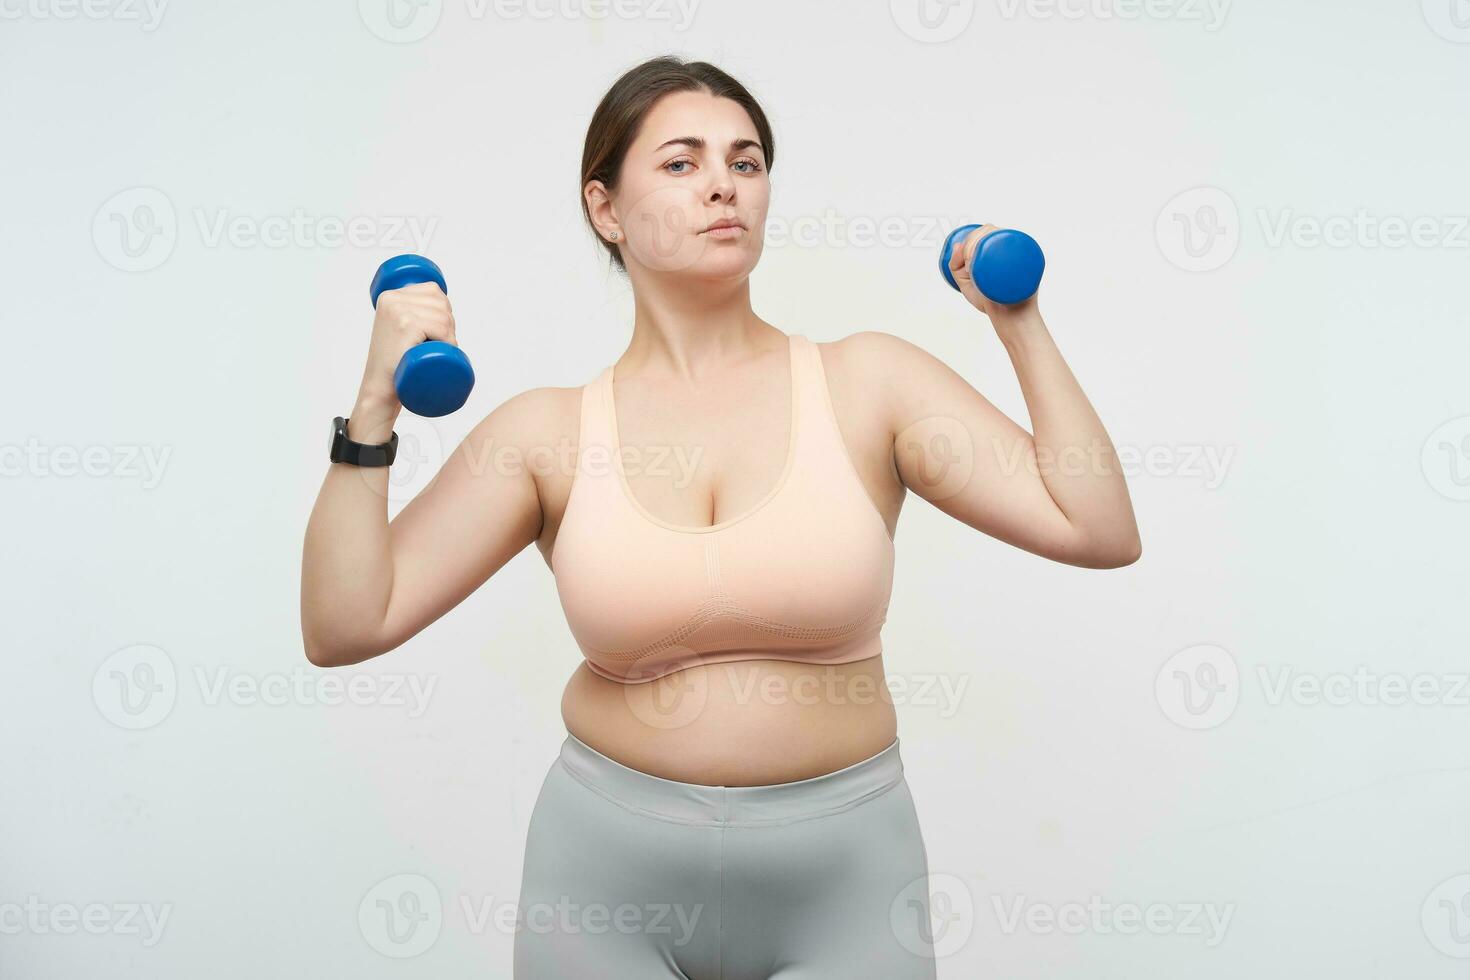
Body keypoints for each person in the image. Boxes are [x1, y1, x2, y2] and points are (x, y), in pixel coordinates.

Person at [301, 54, 1141, 980]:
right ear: (605, 208)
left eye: (745, 162)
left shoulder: (870, 384)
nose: (722, 186)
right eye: (681, 163)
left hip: (847, 878)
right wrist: (374, 403)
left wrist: (1014, 317)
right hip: (602, 883)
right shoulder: (546, 433)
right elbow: (346, 624)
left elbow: (1095, 528)